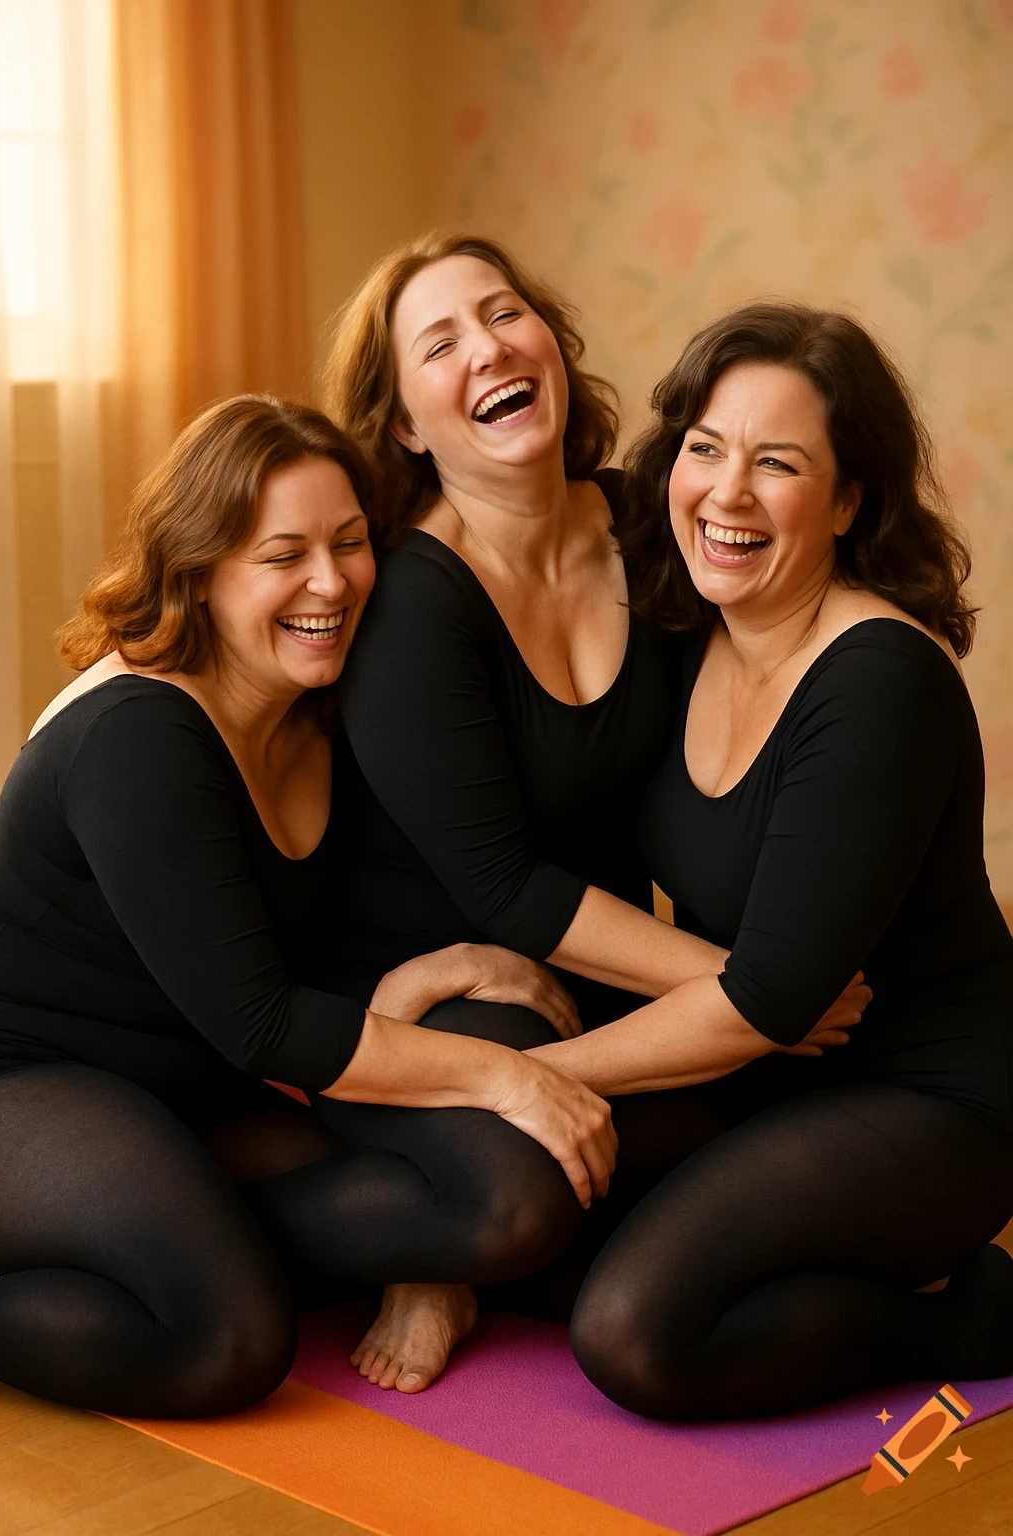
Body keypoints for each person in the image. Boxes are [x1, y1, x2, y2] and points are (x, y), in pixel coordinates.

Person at [0, 394, 619, 1417]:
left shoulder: (317, 705)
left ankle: (198, 1235)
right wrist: (505, 1076)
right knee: (226, 1342)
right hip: (28, 1087)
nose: (330, 582)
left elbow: (323, 935)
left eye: (350, 542)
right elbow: (262, 1019)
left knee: (503, 1206)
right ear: (199, 569)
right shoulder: (140, 736)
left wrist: (439, 968)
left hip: (194, 1089)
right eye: (283, 554)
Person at [323, 236, 867, 1386]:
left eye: (503, 312)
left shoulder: (645, 523)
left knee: (723, 1155)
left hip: (618, 973)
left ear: (551, 349)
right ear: (408, 426)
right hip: (447, 984)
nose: (487, 347)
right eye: (440, 342)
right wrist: (740, 986)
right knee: (521, 1196)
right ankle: (390, 1235)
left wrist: (766, 973)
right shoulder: (415, 600)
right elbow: (502, 889)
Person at [518, 301, 1013, 1419]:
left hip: (924, 1100)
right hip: (761, 1082)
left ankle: (971, 1311)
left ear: (847, 501)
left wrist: (531, 1077)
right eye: (704, 449)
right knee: (508, 1221)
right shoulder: (687, 630)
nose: (725, 493)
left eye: (776, 464)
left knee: (632, 1335)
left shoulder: (878, 679)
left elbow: (766, 1002)